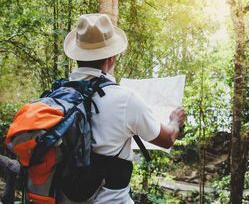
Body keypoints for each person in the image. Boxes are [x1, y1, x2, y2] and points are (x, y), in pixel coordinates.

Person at [62, 13, 186, 204]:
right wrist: (175, 120)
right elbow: (167, 138)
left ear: (77, 56)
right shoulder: (125, 99)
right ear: (111, 58)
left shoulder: (60, 95)